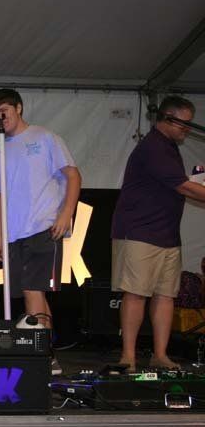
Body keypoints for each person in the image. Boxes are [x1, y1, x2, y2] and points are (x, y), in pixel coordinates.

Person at [0, 88, 81, 375]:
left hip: (43, 225)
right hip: (14, 232)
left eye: (5, 111)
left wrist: (65, 213)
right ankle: (47, 353)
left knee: (32, 290)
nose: (1, 117)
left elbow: (73, 175)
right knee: (33, 293)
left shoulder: (45, 138)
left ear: (19, 108)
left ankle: (43, 356)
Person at [111, 95, 205, 372]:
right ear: (167, 118)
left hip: (166, 234)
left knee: (165, 295)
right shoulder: (153, 147)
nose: (187, 129)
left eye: (190, 124)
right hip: (140, 232)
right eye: (183, 124)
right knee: (136, 293)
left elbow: (186, 187)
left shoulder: (170, 148)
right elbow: (185, 188)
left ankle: (160, 355)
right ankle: (128, 356)